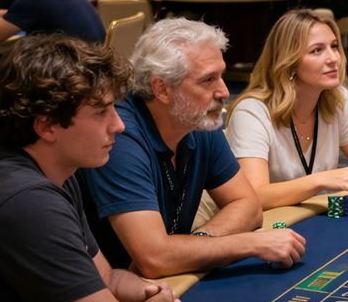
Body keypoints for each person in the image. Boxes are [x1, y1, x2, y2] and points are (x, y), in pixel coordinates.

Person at [0, 34, 182, 302]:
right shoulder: (27, 201)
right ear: (47, 126)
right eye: (101, 112)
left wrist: (149, 291)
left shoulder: (55, 169)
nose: (119, 126)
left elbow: (106, 278)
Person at [80, 18, 306, 277]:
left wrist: (197, 242)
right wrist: (250, 244)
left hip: (168, 280)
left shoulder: (197, 119)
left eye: (221, 75)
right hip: (108, 290)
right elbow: (154, 258)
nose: (224, 92)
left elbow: (248, 205)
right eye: (208, 80)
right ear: (162, 89)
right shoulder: (118, 136)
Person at [225, 9, 348, 209]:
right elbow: (255, 196)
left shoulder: (338, 99)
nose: (333, 58)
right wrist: (320, 180)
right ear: (289, 62)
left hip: (305, 218)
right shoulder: (251, 113)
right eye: (317, 50)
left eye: (334, 46)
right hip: (261, 222)